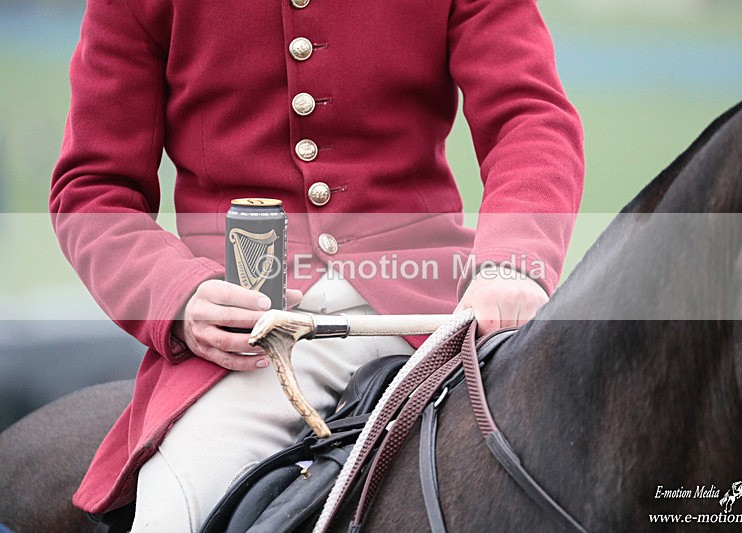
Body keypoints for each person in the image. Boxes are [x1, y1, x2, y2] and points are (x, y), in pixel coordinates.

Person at [50, 0, 584, 529]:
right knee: (172, 519)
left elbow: (530, 116)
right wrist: (176, 295)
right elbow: (93, 190)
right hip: (252, 335)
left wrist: (513, 262)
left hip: (433, 312)